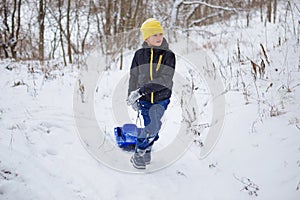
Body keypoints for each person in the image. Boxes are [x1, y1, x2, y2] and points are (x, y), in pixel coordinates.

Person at [126, 18, 176, 169]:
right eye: (154, 34)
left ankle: (140, 150)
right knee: (151, 127)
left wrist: (140, 91)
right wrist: (131, 95)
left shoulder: (168, 55)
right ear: (146, 38)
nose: (159, 37)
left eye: (160, 33)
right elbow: (134, 76)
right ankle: (145, 149)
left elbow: (165, 80)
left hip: (161, 98)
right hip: (145, 100)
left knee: (154, 126)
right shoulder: (139, 55)